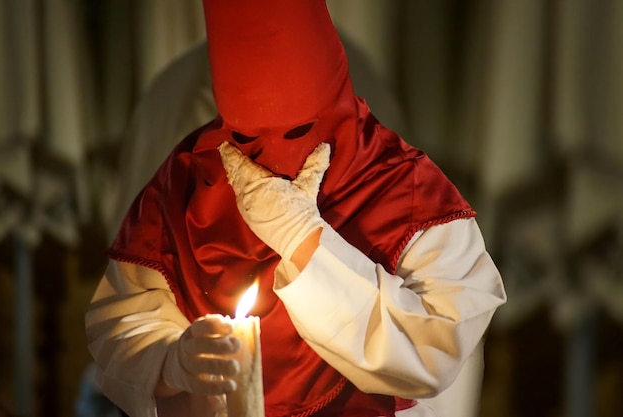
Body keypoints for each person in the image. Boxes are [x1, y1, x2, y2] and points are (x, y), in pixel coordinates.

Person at [85, 1, 507, 416]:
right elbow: (122, 320)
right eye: (248, 138)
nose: (273, 157)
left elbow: (434, 352)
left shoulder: (409, 192)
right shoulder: (190, 176)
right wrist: (172, 361)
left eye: (300, 132)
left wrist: (303, 239)